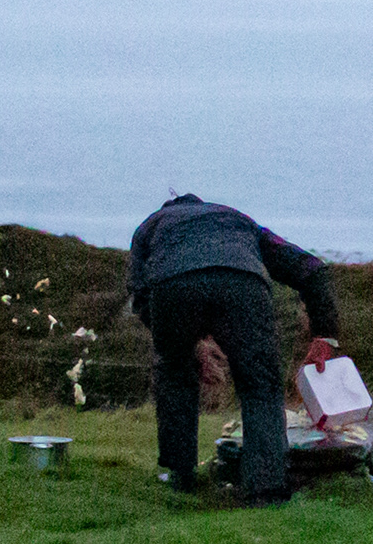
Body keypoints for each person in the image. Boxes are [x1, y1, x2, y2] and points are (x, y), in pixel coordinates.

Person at [126, 192, 343, 503]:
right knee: (260, 386)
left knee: (174, 375)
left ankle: (181, 478)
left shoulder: (151, 226)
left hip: (172, 286)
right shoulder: (237, 220)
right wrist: (325, 335)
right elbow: (311, 268)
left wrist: (182, 342)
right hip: (242, 283)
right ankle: (265, 489)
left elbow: (139, 292)